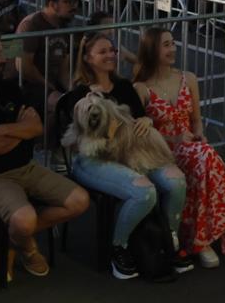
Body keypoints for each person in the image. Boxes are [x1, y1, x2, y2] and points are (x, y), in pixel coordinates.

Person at [0, 28, 89, 278]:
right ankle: (28, 248)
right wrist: (20, 130)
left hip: (25, 167)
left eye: (1, 52)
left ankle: (12, 238)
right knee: (25, 219)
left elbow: (36, 128)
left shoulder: (9, 88)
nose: (3, 59)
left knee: (80, 201)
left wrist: (1, 130)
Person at [59, 33, 189, 279]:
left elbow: (139, 118)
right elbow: (79, 140)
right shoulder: (79, 95)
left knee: (176, 181)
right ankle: (119, 247)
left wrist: (146, 120)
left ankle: (168, 240)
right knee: (144, 192)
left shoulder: (124, 87)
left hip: (133, 153)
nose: (111, 55)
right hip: (94, 160)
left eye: (113, 50)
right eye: (103, 52)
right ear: (87, 58)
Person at [134, 27, 225, 268]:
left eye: (173, 43)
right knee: (205, 157)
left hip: (191, 148)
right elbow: (141, 135)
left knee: (203, 156)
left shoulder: (188, 78)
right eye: (166, 45)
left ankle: (203, 242)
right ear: (152, 50)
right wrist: (175, 139)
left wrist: (199, 134)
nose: (173, 49)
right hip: (162, 151)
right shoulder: (141, 89)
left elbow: (197, 120)